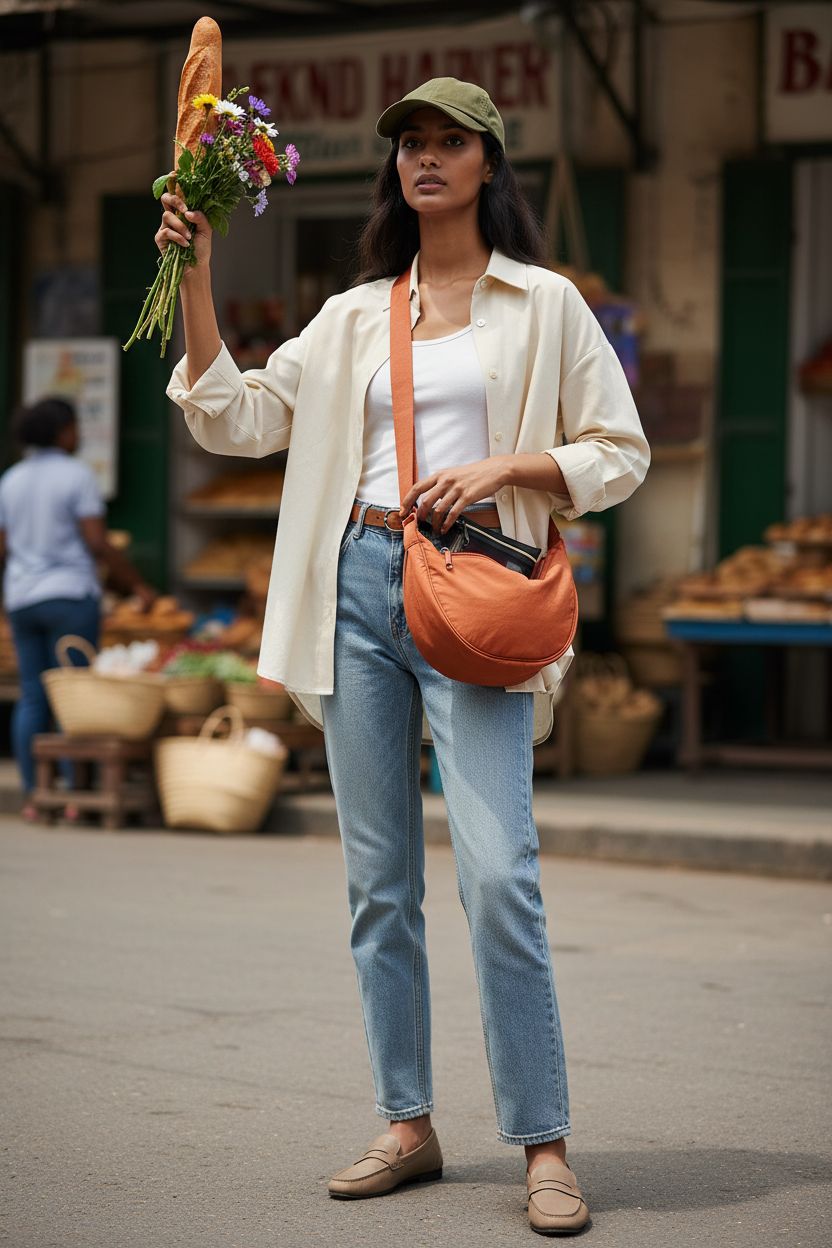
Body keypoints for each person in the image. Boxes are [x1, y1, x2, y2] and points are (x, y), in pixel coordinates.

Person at [163, 77, 650, 1235]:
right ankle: (407, 1123)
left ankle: (542, 1141)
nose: (426, 159)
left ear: (488, 164)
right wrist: (192, 271)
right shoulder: (348, 318)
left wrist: (508, 469)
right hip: (358, 595)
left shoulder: (545, 306)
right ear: (396, 172)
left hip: (476, 588)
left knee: (496, 875)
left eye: (449, 142)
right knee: (379, 884)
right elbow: (232, 415)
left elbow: (618, 451)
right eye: (411, 146)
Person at [0, 397, 156, 820]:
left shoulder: (11, 480)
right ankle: (73, 796)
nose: (78, 435)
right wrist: (137, 585)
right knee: (74, 696)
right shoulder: (77, 476)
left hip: (22, 598)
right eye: (73, 427)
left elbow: (4, 545)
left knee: (33, 696)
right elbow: (96, 542)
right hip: (69, 595)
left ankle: (35, 797)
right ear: (61, 431)